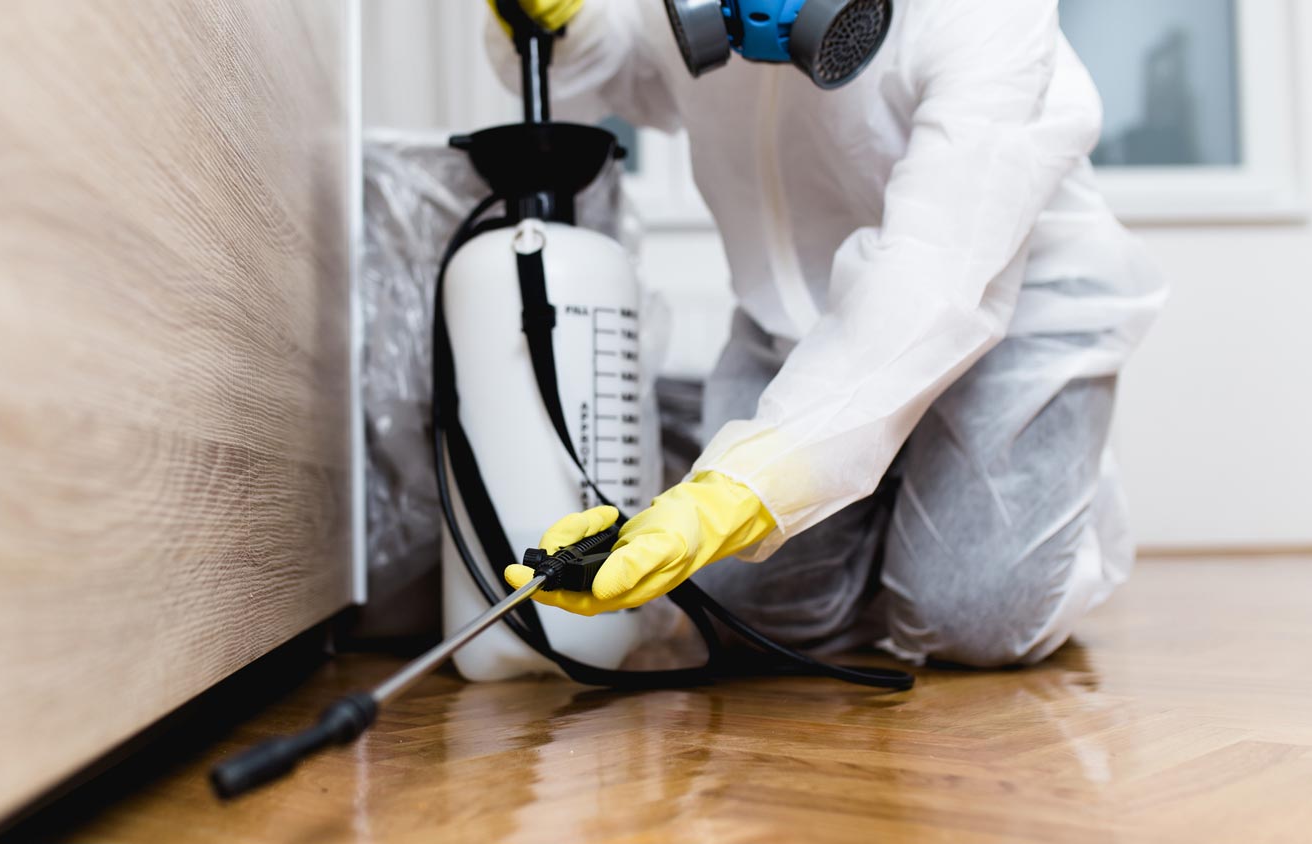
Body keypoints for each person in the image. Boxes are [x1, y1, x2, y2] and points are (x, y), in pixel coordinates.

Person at [489, 0, 1167, 667]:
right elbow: (631, 67)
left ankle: (1041, 492)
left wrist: (738, 490)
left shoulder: (981, 14)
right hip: (794, 327)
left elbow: (933, 272)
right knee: (742, 615)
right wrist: (565, 25)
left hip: (1011, 313)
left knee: (971, 618)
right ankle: (881, 481)